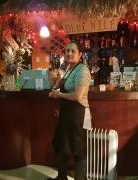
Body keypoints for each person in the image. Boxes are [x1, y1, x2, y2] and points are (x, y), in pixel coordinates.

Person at [48, 41, 91, 180]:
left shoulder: (82, 70)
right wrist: (54, 87)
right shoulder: (68, 69)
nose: (69, 53)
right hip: (66, 113)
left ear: (80, 54)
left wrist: (59, 95)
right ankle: (62, 177)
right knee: (59, 143)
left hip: (77, 113)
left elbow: (78, 96)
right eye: (67, 51)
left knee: (77, 149)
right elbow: (62, 88)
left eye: (73, 51)